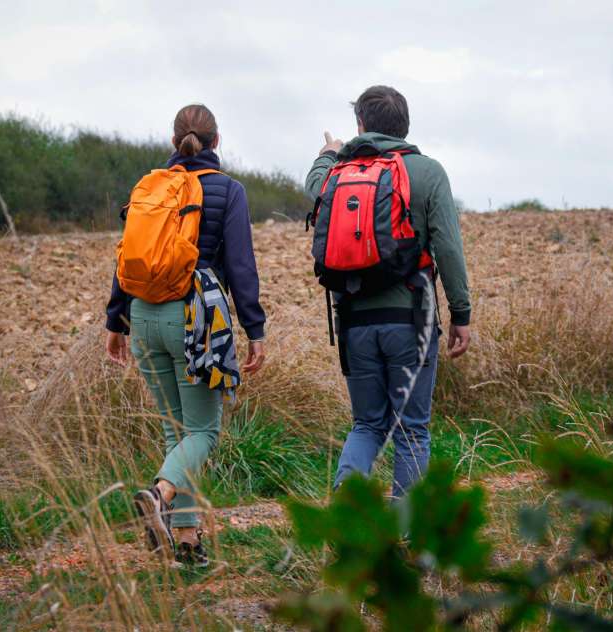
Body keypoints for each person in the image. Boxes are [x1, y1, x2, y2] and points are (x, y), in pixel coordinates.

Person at [105, 104, 266, 567]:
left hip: (143, 315)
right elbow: (240, 267)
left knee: (176, 431)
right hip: (192, 320)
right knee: (202, 432)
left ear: (174, 140)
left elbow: (127, 258)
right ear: (216, 141)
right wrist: (254, 329)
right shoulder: (227, 190)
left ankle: (189, 544)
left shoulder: (150, 186)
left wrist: (115, 321)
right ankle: (158, 495)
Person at [305, 85, 471, 498]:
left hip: (354, 322)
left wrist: (329, 152)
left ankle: (348, 498)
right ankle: (406, 536)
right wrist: (461, 312)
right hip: (411, 321)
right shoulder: (428, 172)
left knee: (367, 424)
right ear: (406, 126)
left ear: (360, 124)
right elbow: (448, 247)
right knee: (411, 431)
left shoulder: (338, 171)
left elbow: (313, 187)